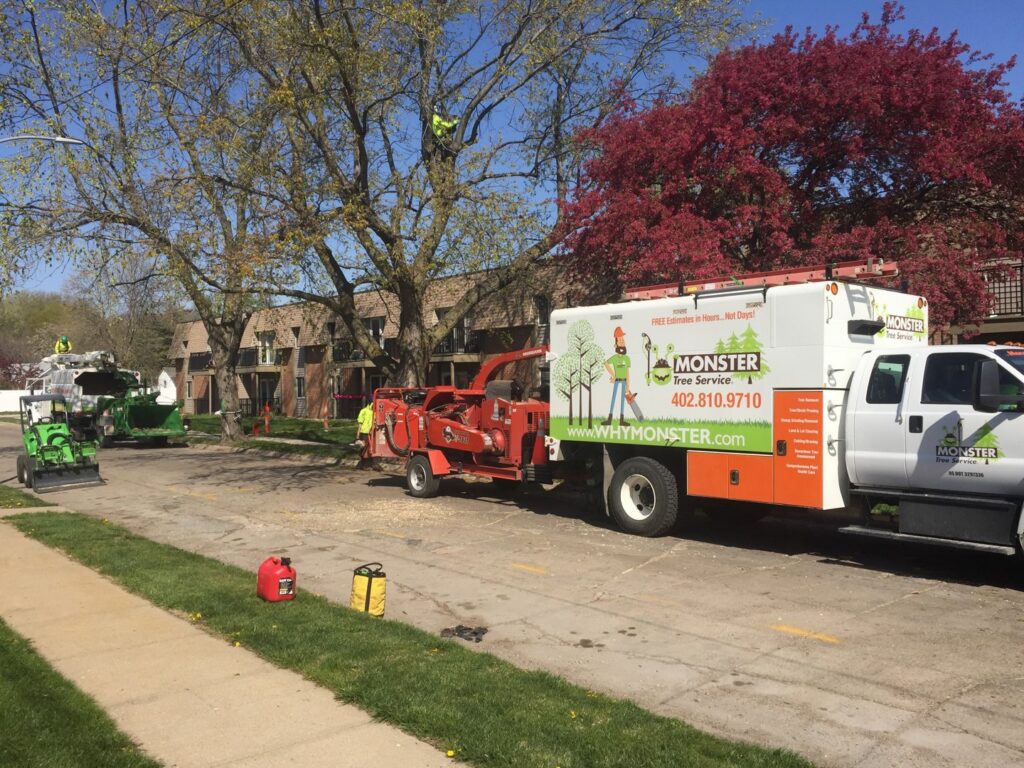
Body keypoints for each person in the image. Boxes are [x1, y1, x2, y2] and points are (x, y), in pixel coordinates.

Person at [602, 326, 631, 426]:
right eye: (620, 340)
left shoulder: (627, 358)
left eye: (623, 340)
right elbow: (605, 363)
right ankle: (609, 419)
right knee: (613, 399)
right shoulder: (614, 358)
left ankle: (621, 420)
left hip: (623, 381)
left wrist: (628, 386)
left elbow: (627, 372)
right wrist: (613, 375)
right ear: (616, 344)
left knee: (622, 400)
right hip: (617, 380)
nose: (622, 342)